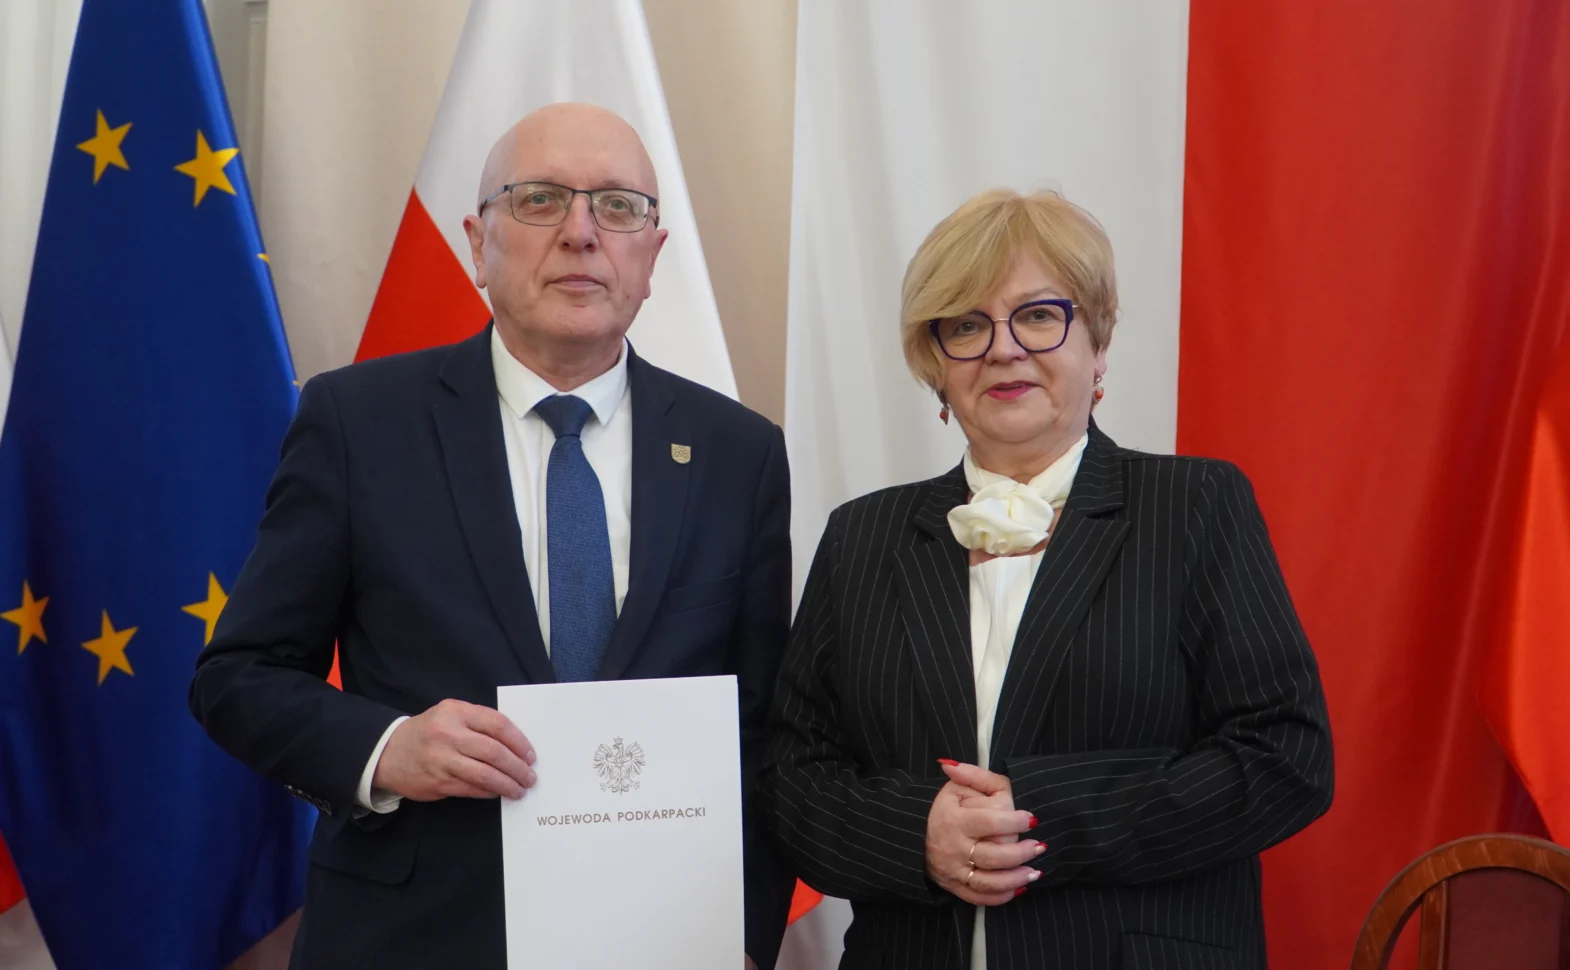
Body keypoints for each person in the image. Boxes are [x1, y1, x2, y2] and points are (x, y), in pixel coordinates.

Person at [190, 103, 793, 969]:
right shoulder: (359, 424)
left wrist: (747, 939)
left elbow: (764, 732)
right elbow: (238, 677)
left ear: (651, 256)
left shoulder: (740, 453)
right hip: (412, 940)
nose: (582, 233)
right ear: (478, 245)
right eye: (541, 199)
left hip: (662, 942)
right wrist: (387, 748)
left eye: (618, 207)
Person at [759, 188, 1333, 970]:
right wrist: (918, 832)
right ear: (935, 365)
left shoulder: (1196, 505)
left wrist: (1042, 816)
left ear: (1098, 345)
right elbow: (792, 780)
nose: (1003, 348)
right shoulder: (861, 537)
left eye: (1037, 315)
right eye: (966, 325)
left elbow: (1285, 758)